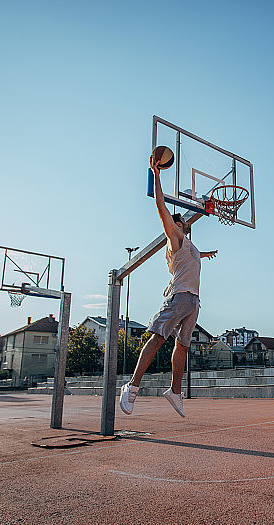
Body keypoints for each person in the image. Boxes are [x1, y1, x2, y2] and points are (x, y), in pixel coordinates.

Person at [119, 152, 217, 417]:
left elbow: (192, 260)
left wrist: (205, 255)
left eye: (181, 221)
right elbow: (161, 207)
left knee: (183, 346)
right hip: (180, 296)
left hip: (193, 301)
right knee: (159, 338)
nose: (182, 221)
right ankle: (131, 387)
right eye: (177, 221)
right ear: (173, 226)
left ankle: (174, 391)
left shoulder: (190, 245)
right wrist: (156, 176)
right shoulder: (174, 238)